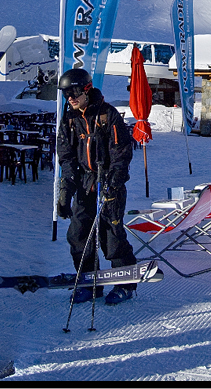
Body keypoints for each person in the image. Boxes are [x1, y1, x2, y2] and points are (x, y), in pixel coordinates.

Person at [55, 67, 139, 305]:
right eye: (65, 94)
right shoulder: (69, 118)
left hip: (108, 180)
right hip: (85, 182)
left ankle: (125, 284)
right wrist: (65, 193)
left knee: (111, 235)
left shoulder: (107, 114)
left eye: (73, 92)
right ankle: (88, 282)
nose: (70, 98)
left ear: (86, 89)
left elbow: (122, 154)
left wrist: (112, 185)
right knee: (78, 233)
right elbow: (67, 156)